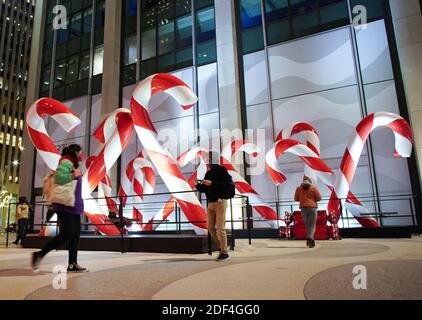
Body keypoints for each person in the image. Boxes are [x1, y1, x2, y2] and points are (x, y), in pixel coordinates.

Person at [31, 145, 88, 273]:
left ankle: (72, 264)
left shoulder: (72, 163)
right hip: (65, 205)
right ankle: (40, 254)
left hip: (73, 205)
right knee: (66, 235)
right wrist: (74, 175)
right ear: (75, 152)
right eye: (81, 152)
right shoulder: (66, 161)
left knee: (75, 235)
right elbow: (59, 178)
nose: (82, 155)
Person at [196, 152, 232, 262]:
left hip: (220, 201)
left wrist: (211, 183)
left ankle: (224, 253)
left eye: (209, 157)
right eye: (207, 157)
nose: (207, 159)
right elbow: (205, 189)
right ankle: (221, 248)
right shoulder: (208, 172)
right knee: (211, 227)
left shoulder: (222, 170)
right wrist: (198, 186)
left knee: (220, 227)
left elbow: (225, 185)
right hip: (211, 203)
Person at [294, 176, 322, 248]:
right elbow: (319, 198)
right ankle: (310, 238)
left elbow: (295, 198)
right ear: (310, 181)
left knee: (307, 225)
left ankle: (311, 240)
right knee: (312, 225)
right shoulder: (313, 188)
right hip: (312, 207)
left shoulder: (298, 188)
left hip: (303, 208)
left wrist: (302, 198)